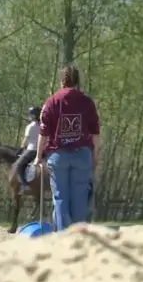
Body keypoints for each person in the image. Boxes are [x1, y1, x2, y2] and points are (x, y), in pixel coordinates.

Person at [33, 65, 100, 231]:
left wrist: (38, 155)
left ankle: (63, 237)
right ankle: (78, 235)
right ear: (77, 81)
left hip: (59, 155)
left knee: (60, 197)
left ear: (61, 81)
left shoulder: (52, 101)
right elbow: (95, 132)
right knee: (80, 198)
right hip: (82, 154)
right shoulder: (87, 102)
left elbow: (44, 132)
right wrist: (95, 155)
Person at [12, 106, 41, 192]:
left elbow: (25, 140)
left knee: (18, 165)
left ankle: (24, 185)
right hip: (43, 151)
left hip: (31, 150)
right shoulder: (43, 126)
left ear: (33, 116)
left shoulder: (30, 127)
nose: (29, 116)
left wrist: (20, 149)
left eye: (30, 114)